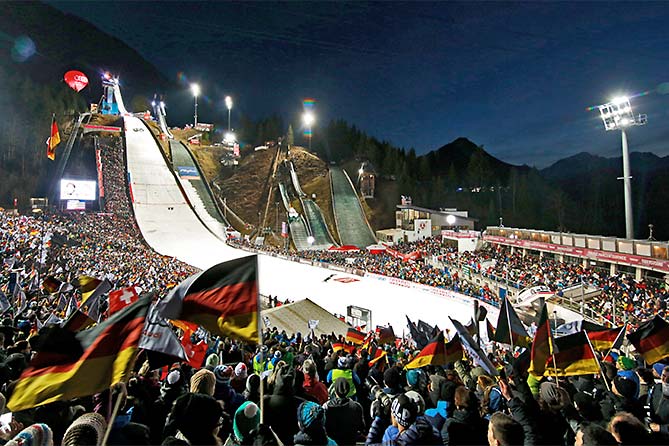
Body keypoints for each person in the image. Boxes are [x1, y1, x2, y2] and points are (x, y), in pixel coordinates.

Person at [322, 377, 365, 445]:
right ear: (348, 390)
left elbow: (322, 426)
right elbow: (361, 427)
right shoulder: (357, 406)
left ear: (335, 390)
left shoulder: (326, 406)